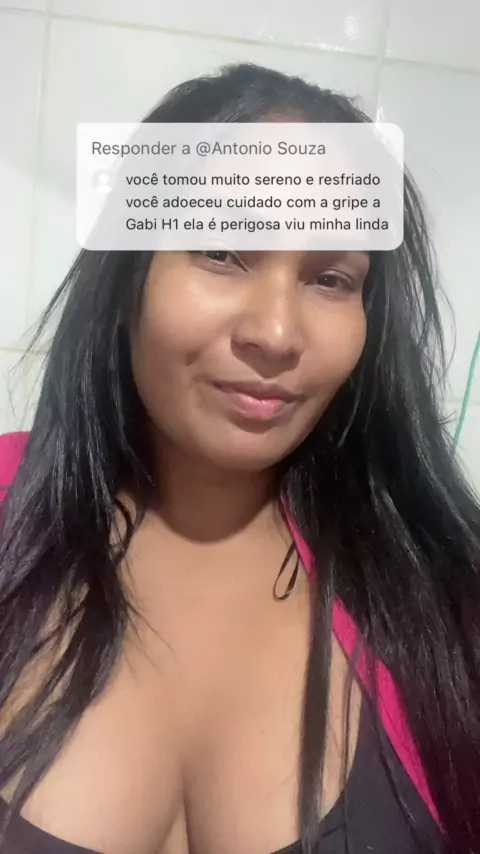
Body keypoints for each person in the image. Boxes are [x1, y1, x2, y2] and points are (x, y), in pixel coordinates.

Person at [0, 61, 478, 854]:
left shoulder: (446, 601)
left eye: (331, 277)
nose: (276, 333)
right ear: (127, 277)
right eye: (222, 251)